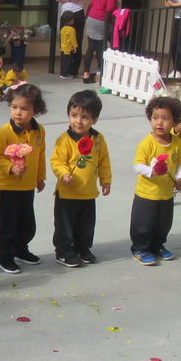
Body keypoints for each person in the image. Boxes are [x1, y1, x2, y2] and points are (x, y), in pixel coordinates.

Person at [50, 90, 111, 268]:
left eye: (84, 117)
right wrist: (63, 173)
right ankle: (64, 251)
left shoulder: (98, 140)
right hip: (67, 193)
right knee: (65, 226)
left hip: (88, 192)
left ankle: (83, 247)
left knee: (86, 225)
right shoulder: (64, 140)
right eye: (74, 115)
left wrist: (105, 180)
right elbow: (57, 161)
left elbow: (103, 161)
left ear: (95, 119)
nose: (78, 121)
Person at [0, 83, 47, 274]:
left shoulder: (39, 131)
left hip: (28, 187)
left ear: (36, 110)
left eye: (24, 108)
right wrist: (11, 168)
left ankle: (21, 250)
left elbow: (40, 155)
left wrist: (40, 177)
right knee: (8, 225)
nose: (18, 112)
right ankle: (4, 256)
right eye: (14, 107)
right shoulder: (5, 132)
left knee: (27, 225)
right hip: (8, 187)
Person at [130, 96, 181, 266]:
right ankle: (140, 248)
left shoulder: (176, 143)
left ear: (175, 121)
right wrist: (152, 172)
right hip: (146, 194)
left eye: (165, 118)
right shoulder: (147, 143)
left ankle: (157, 245)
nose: (159, 123)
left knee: (163, 224)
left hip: (166, 193)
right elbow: (137, 165)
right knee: (143, 224)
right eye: (155, 118)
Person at [82, 0, 124, 84]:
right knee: (101, 47)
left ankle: (86, 73)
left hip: (91, 17)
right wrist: (117, 5)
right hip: (101, 19)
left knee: (91, 47)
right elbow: (110, 8)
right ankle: (101, 73)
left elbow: (94, 0)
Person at [55, 0, 86, 78]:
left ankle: (74, 70)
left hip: (77, 14)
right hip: (65, 15)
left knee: (76, 42)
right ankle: (65, 70)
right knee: (65, 43)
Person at [59, 10, 79, 81]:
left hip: (63, 48)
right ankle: (65, 74)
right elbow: (73, 39)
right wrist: (75, 46)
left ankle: (62, 73)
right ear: (71, 20)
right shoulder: (71, 29)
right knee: (68, 62)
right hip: (69, 48)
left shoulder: (63, 28)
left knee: (63, 61)